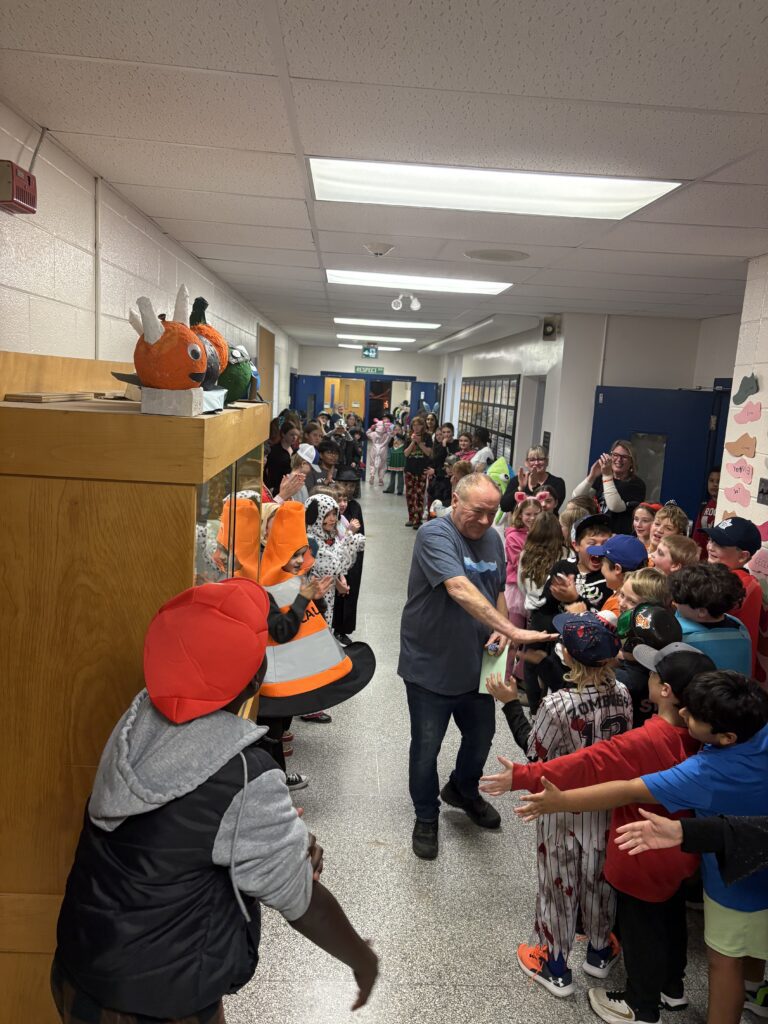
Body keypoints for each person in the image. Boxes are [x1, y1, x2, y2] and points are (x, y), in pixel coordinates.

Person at [52, 578, 378, 1023]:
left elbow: (177, 841)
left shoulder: (136, 721)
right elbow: (302, 902)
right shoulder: (243, 772)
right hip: (160, 1002)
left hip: (77, 971)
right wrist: (363, 959)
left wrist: (275, 839)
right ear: (257, 678)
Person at [513, 671, 768, 1024]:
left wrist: (558, 800)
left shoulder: (703, 770)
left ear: (726, 737)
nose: (683, 714)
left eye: (693, 715)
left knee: (722, 961)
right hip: (725, 864)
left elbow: (627, 787)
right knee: (690, 926)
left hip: (732, 885)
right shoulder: (758, 733)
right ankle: (742, 990)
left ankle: (641, 1007)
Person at [483, 643, 715, 1022]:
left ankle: (638, 1003)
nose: (646, 675)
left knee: (639, 927)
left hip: (640, 847)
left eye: (653, 673)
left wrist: (523, 777)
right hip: (683, 845)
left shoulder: (648, 739)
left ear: (665, 690)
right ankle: (669, 987)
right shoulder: (703, 734)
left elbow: (589, 762)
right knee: (670, 918)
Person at [398, 473, 555, 861]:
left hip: (477, 662)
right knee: (426, 748)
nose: (485, 521)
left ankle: (462, 790)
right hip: (431, 665)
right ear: (455, 500)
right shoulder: (435, 535)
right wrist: (512, 630)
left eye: (492, 512)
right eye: (478, 511)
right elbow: (458, 587)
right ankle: (426, 815)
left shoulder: (492, 539)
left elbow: (495, 589)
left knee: (481, 736)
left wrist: (500, 629)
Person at [500, 612, 633, 998]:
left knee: (558, 884)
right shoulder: (624, 694)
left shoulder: (557, 704)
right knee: (598, 879)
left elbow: (534, 754)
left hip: (560, 804)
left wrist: (509, 703)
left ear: (568, 656)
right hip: (604, 801)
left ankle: (554, 965)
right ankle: (599, 951)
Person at [669, 562, 752, 673]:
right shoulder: (740, 628)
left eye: (678, 601)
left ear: (701, 611)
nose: (674, 603)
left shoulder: (681, 638)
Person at [704, 516, 762, 673]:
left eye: (719, 544)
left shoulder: (741, 584)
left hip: (725, 669)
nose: (710, 546)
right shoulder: (725, 576)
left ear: (742, 556)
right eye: (710, 539)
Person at [573, 439, 646, 534]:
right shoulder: (601, 478)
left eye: (624, 457)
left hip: (618, 534)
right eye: (615, 455)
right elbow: (577, 498)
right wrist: (592, 476)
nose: (619, 459)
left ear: (631, 462)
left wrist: (607, 476)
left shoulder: (636, 484)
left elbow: (614, 506)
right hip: (597, 532)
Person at [332, 469, 366, 645]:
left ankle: (342, 629)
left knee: (349, 593)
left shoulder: (355, 507)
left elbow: (361, 535)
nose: (349, 488)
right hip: (334, 558)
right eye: (345, 484)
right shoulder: (331, 506)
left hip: (351, 557)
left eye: (352, 485)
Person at [587, 534, 649, 619]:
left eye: (602, 564)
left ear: (617, 568)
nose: (601, 569)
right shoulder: (644, 594)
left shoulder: (619, 608)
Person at [501, 445, 567, 515]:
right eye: (532, 460)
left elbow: (550, 510)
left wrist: (534, 487)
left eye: (540, 459)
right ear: (526, 463)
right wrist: (520, 488)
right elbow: (504, 507)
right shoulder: (518, 480)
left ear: (547, 462)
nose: (536, 463)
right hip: (520, 521)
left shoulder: (558, 483)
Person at [403, 415, 433, 529]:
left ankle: (418, 519)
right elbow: (406, 453)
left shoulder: (427, 437)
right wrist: (413, 442)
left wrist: (420, 443)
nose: (416, 427)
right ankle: (411, 518)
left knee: (419, 495)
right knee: (410, 494)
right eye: (414, 425)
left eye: (419, 425)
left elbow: (428, 453)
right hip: (409, 470)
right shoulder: (408, 436)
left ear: (423, 426)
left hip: (422, 470)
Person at [264, 419, 301, 493]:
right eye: (291, 435)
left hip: (290, 486)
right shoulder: (274, 451)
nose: (294, 437)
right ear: (283, 434)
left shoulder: (296, 450)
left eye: (296, 435)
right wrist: (269, 487)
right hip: (276, 488)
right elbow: (266, 470)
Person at [692, 467, 721, 558]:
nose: (715, 484)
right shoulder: (704, 505)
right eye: (711, 481)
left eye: (718, 481)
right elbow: (697, 534)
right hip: (702, 557)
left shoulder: (725, 508)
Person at [366, 419, 390, 487]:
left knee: (372, 464)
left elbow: (367, 433)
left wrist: (371, 428)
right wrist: (388, 429)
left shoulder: (374, 434)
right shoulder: (386, 435)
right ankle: (380, 479)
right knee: (382, 465)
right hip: (383, 449)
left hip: (374, 449)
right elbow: (391, 435)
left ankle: (372, 475)